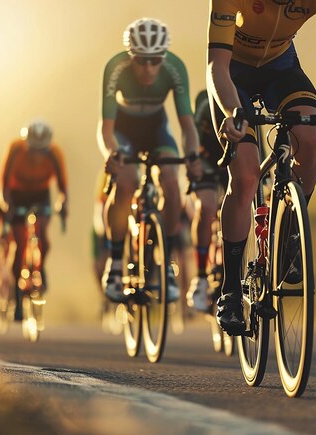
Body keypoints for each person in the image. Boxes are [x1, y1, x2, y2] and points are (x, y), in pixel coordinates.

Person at [206, 0, 316, 335]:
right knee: (246, 175)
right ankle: (231, 288)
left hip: (282, 69)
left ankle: (291, 231)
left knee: (311, 140)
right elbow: (217, 66)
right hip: (231, 75)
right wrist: (234, 113)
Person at [99, 17, 202, 303]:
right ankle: (116, 263)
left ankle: (167, 263)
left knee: (171, 181)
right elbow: (106, 128)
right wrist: (112, 152)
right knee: (126, 180)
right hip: (123, 129)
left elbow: (187, 126)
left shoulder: (174, 68)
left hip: (157, 129)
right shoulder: (115, 67)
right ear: (131, 56)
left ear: (163, 57)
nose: (148, 67)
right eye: (141, 60)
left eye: (155, 60)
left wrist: (192, 156)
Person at [0, 120, 68, 321]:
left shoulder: (55, 153)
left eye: (42, 151)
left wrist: (63, 206)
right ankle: (18, 297)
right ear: (26, 144)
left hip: (41, 194)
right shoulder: (15, 150)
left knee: (43, 235)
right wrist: (7, 206)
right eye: (33, 150)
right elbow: (2, 184)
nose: (37, 155)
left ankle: (41, 266)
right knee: (19, 245)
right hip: (17, 194)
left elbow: (63, 187)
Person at [187, 90, 229, 311]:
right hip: (205, 157)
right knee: (208, 206)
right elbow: (192, 144)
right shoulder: (206, 107)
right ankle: (201, 276)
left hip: (232, 157)